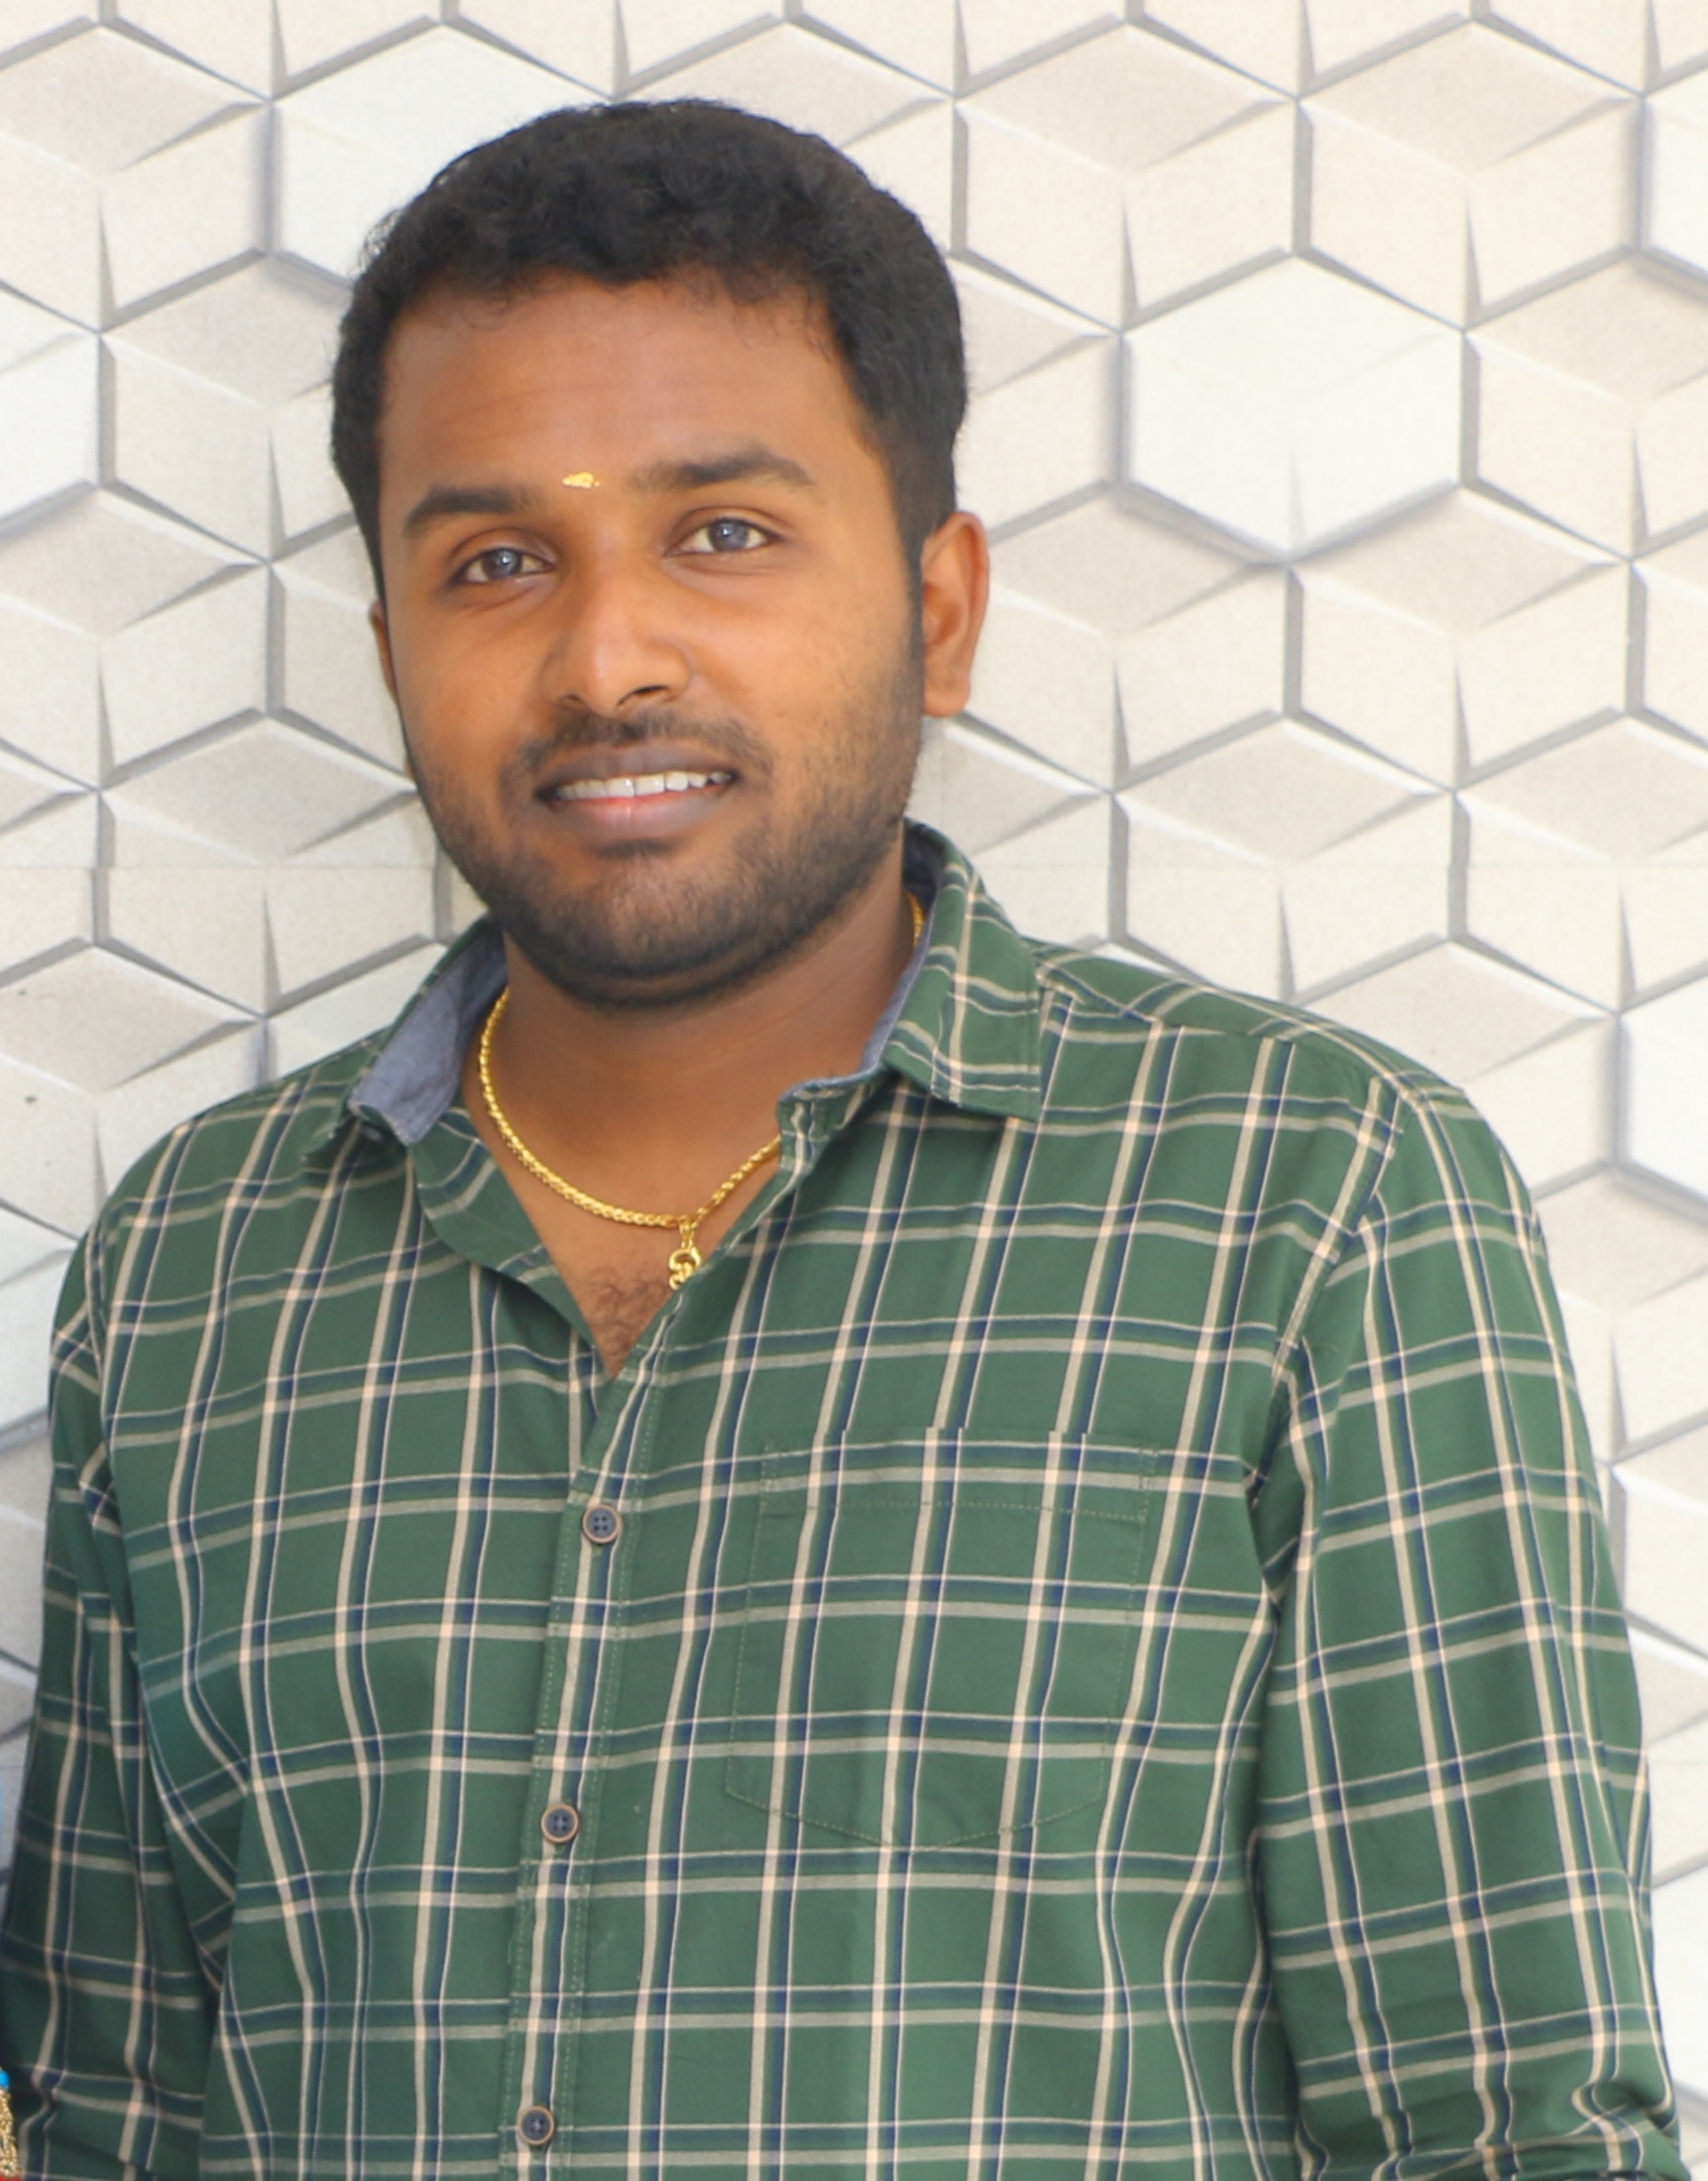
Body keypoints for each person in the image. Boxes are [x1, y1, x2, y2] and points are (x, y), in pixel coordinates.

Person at [0, 98, 1684, 2180]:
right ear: (390, 651)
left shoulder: (1307, 1200)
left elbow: (1505, 2125)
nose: (607, 659)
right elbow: (112, 2116)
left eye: (723, 533)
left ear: (940, 608)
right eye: (497, 562)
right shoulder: (194, 1269)